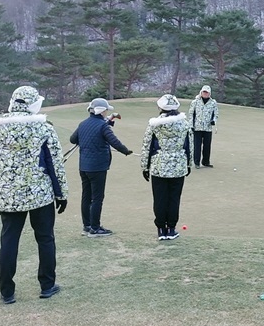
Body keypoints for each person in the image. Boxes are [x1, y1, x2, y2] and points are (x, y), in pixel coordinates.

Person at [0, 86, 68, 304]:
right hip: (40, 194)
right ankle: (47, 285)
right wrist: (61, 193)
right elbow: (55, 163)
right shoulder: (43, 127)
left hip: (8, 196)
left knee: (9, 240)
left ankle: (7, 291)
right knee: (45, 238)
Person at [69, 98, 133, 237]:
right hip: (97, 167)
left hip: (83, 167)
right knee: (97, 198)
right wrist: (126, 151)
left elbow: (73, 139)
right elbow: (114, 142)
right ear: (102, 111)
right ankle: (95, 228)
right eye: (106, 110)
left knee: (86, 196)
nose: (106, 112)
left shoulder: (83, 124)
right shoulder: (103, 126)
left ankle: (87, 226)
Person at [141, 94, 193, 240]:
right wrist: (189, 164)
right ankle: (171, 229)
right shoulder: (184, 124)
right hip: (178, 166)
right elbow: (189, 146)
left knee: (159, 198)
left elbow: (147, 146)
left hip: (159, 167)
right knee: (174, 198)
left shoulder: (154, 124)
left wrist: (145, 167)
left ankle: (161, 230)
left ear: (161, 107)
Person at [188, 85, 219, 169]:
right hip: (197, 127)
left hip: (208, 128)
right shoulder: (195, 102)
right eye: (204, 92)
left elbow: (216, 114)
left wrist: (213, 121)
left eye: (207, 92)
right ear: (201, 92)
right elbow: (191, 114)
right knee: (197, 146)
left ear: (209, 93)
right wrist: (191, 125)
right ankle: (197, 162)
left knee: (207, 146)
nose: (205, 93)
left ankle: (206, 162)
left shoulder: (213, 103)